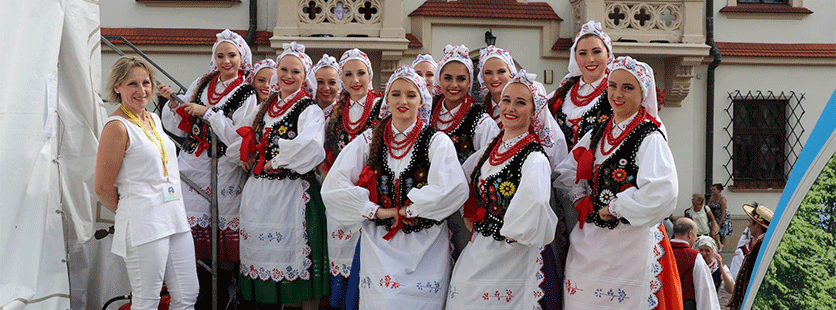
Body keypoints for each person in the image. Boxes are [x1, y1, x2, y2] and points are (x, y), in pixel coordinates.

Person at [322, 66, 469, 309]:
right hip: (379, 244)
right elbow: (333, 187)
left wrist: (411, 210)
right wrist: (378, 211)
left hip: (426, 246)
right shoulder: (369, 140)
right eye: (396, 94)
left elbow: (453, 189)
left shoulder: (436, 141)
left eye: (411, 95)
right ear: (386, 99)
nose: (403, 101)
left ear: (421, 100)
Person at [555, 56, 681, 309]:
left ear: (643, 92)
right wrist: (581, 198)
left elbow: (663, 192)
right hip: (591, 242)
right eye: (612, 86)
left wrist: (615, 207)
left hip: (630, 242)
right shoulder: (600, 131)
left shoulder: (649, 136)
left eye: (627, 87)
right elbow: (566, 171)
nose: (617, 94)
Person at [158, 29, 258, 308]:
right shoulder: (202, 83)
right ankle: (195, 296)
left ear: (242, 58)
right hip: (193, 161)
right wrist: (173, 102)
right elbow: (177, 125)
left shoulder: (246, 92)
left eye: (232, 55)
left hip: (223, 169)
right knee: (190, 239)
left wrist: (209, 114)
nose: (226, 61)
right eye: (221, 55)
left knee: (220, 244)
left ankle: (221, 297)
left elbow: (239, 138)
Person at [448, 70, 559, 309]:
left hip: (512, 254)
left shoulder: (534, 157)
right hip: (481, 249)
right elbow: (462, 180)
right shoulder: (493, 149)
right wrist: (469, 210)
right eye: (506, 100)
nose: (510, 107)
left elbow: (537, 202)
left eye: (520, 103)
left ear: (533, 112)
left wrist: (508, 230)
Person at [95, 55, 198, 310]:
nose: (141, 91)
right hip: (145, 222)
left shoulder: (153, 119)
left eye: (146, 83)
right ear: (117, 87)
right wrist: (133, 212)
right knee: (147, 300)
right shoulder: (117, 127)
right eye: (132, 84)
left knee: (187, 295)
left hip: (174, 216)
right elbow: (102, 187)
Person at [236, 42, 328, 310]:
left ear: (304, 76)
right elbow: (245, 136)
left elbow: (311, 147)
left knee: (296, 263)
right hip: (261, 195)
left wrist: (275, 160)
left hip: (291, 194)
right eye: (284, 69)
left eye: (295, 72)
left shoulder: (308, 109)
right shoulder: (265, 106)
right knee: (263, 258)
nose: (288, 76)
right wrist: (246, 154)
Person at [320, 48, 383, 309]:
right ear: (342, 79)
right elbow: (327, 152)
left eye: (361, 73)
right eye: (348, 75)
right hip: (341, 196)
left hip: (371, 193)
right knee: (341, 256)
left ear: (370, 74)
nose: (355, 80)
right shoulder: (336, 110)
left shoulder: (382, 105)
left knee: (366, 259)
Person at [549, 20, 614, 151]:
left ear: (608, 55)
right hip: (561, 169)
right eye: (583, 53)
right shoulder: (563, 92)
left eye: (596, 51)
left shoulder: (616, 93)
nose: (590, 59)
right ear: (575, 58)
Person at [431, 44, 500, 164]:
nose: (454, 85)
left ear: (469, 82)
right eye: (448, 78)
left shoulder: (481, 121)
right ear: (439, 79)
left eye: (461, 79)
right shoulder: (428, 113)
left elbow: (489, 163)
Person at [727, 204, 773, 310]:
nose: (748, 226)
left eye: (750, 223)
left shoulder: (760, 246)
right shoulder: (763, 244)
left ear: (757, 225)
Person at [671, 218, 720, 310]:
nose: (696, 238)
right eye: (695, 234)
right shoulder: (694, 257)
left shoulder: (660, 252)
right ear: (690, 234)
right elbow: (704, 293)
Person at [476, 45, 517, 124]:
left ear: (511, 72)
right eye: (488, 73)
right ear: (482, 77)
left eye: (501, 71)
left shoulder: (523, 107)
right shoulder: (480, 113)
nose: (495, 78)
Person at [307, 54, 340, 124]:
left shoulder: (345, 113)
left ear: (339, 85)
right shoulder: (305, 110)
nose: (326, 88)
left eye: (332, 82)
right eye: (320, 82)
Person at [708, 183, 731, 250]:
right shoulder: (712, 197)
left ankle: (722, 247)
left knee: (722, 234)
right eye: (712, 189)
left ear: (719, 190)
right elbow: (708, 206)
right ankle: (718, 245)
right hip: (714, 216)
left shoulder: (722, 199)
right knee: (716, 232)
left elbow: (723, 212)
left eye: (714, 189)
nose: (713, 191)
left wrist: (720, 222)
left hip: (723, 217)